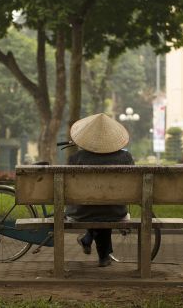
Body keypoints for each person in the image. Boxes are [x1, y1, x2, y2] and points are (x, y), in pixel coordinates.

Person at [65, 113, 134, 267]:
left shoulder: (76, 158)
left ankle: (90, 240)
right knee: (105, 206)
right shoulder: (126, 158)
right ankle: (102, 255)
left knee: (95, 205)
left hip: (81, 212)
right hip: (116, 211)